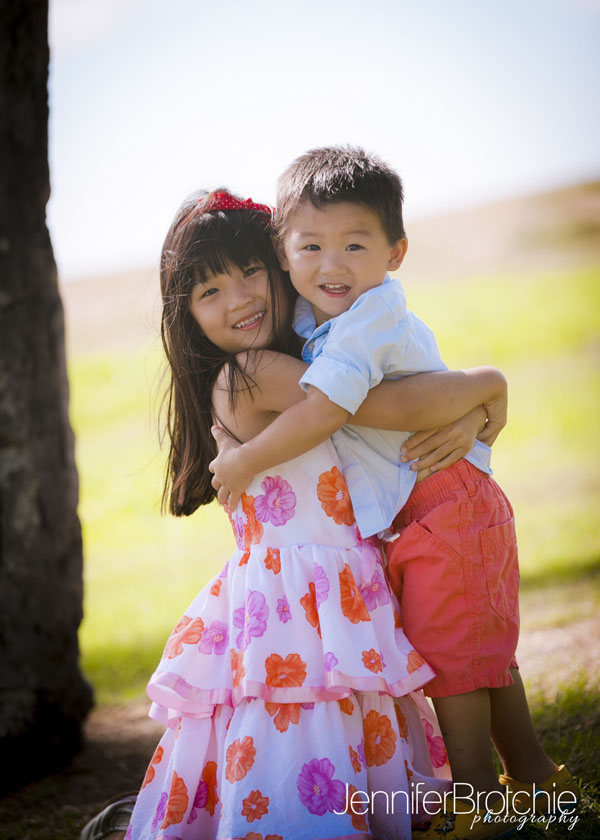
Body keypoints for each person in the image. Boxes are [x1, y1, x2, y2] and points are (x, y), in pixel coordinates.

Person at [109, 187, 517, 840]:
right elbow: (391, 408)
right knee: (309, 724)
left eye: (249, 273)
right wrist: (486, 387)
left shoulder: (281, 361)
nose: (239, 298)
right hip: (304, 603)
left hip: (314, 591)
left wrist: (466, 408)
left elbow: (385, 407)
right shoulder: (251, 371)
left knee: (329, 715)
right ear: (185, 315)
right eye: (209, 291)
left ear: (280, 268)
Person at [209, 148, 579, 840]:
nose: (332, 264)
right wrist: (477, 399)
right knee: (475, 648)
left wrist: (244, 460)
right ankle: (534, 779)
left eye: (356, 244)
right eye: (311, 247)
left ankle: (475, 801)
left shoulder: (365, 320)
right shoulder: (318, 324)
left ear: (396, 252)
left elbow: (326, 410)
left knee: (453, 661)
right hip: (437, 505)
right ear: (285, 257)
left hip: (446, 502)